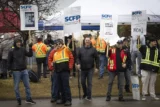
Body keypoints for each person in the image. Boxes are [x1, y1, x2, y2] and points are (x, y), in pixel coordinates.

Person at [7, 38, 36, 105]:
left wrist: (30, 47)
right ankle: (18, 99)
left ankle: (28, 99)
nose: (19, 43)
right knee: (16, 87)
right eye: (17, 42)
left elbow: (30, 55)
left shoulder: (23, 49)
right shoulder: (11, 51)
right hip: (16, 71)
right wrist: (9, 70)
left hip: (24, 70)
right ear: (15, 43)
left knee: (27, 85)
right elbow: (9, 61)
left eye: (20, 42)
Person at [77, 36, 99, 101]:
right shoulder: (81, 49)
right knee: (82, 82)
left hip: (90, 69)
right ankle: (85, 93)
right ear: (84, 41)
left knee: (89, 83)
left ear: (90, 41)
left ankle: (89, 96)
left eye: (88, 40)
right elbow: (78, 58)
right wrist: (78, 63)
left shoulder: (93, 49)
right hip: (83, 69)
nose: (87, 41)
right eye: (86, 40)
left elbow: (97, 58)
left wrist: (97, 67)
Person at [53, 39, 74, 106]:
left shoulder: (66, 49)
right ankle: (63, 99)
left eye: (59, 44)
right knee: (60, 87)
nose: (58, 45)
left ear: (62, 44)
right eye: (57, 44)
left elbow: (71, 57)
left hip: (64, 71)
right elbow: (54, 62)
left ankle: (68, 100)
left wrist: (70, 67)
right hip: (57, 72)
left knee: (66, 86)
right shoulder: (55, 53)